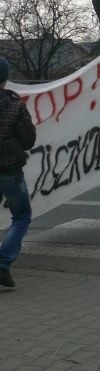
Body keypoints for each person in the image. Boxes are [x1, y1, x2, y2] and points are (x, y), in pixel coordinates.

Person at [0, 57, 37, 288]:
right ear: (5, 79)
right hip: (10, 170)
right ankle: (3, 264)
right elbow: (28, 140)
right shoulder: (14, 106)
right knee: (21, 216)